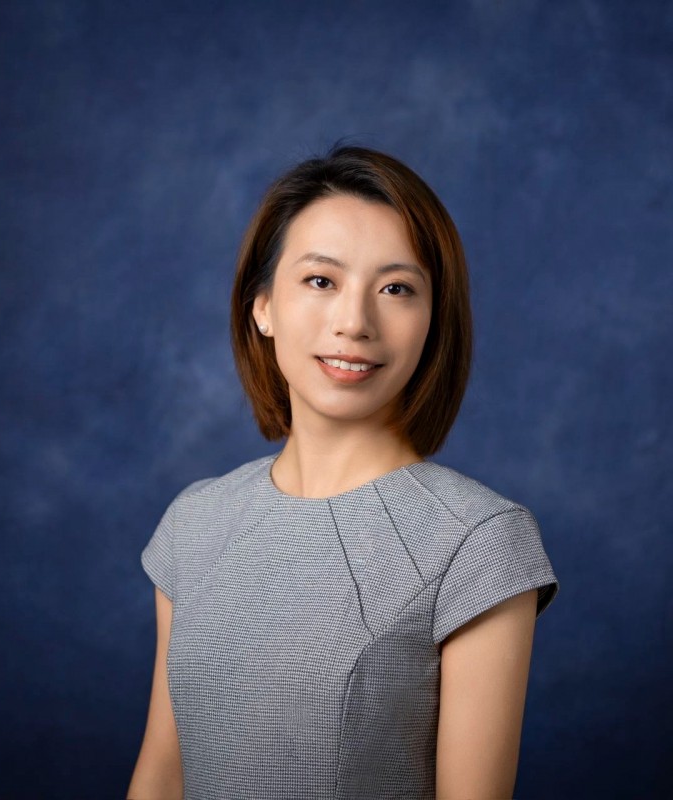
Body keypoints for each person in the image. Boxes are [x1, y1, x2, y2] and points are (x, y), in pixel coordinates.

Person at [127, 144, 558, 799]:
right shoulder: (195, 522)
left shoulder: (479, 542)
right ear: (262, 305)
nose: (354, 322)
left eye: (396, 289)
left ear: (432, 322)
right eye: (321, 281)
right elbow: (161, 776)